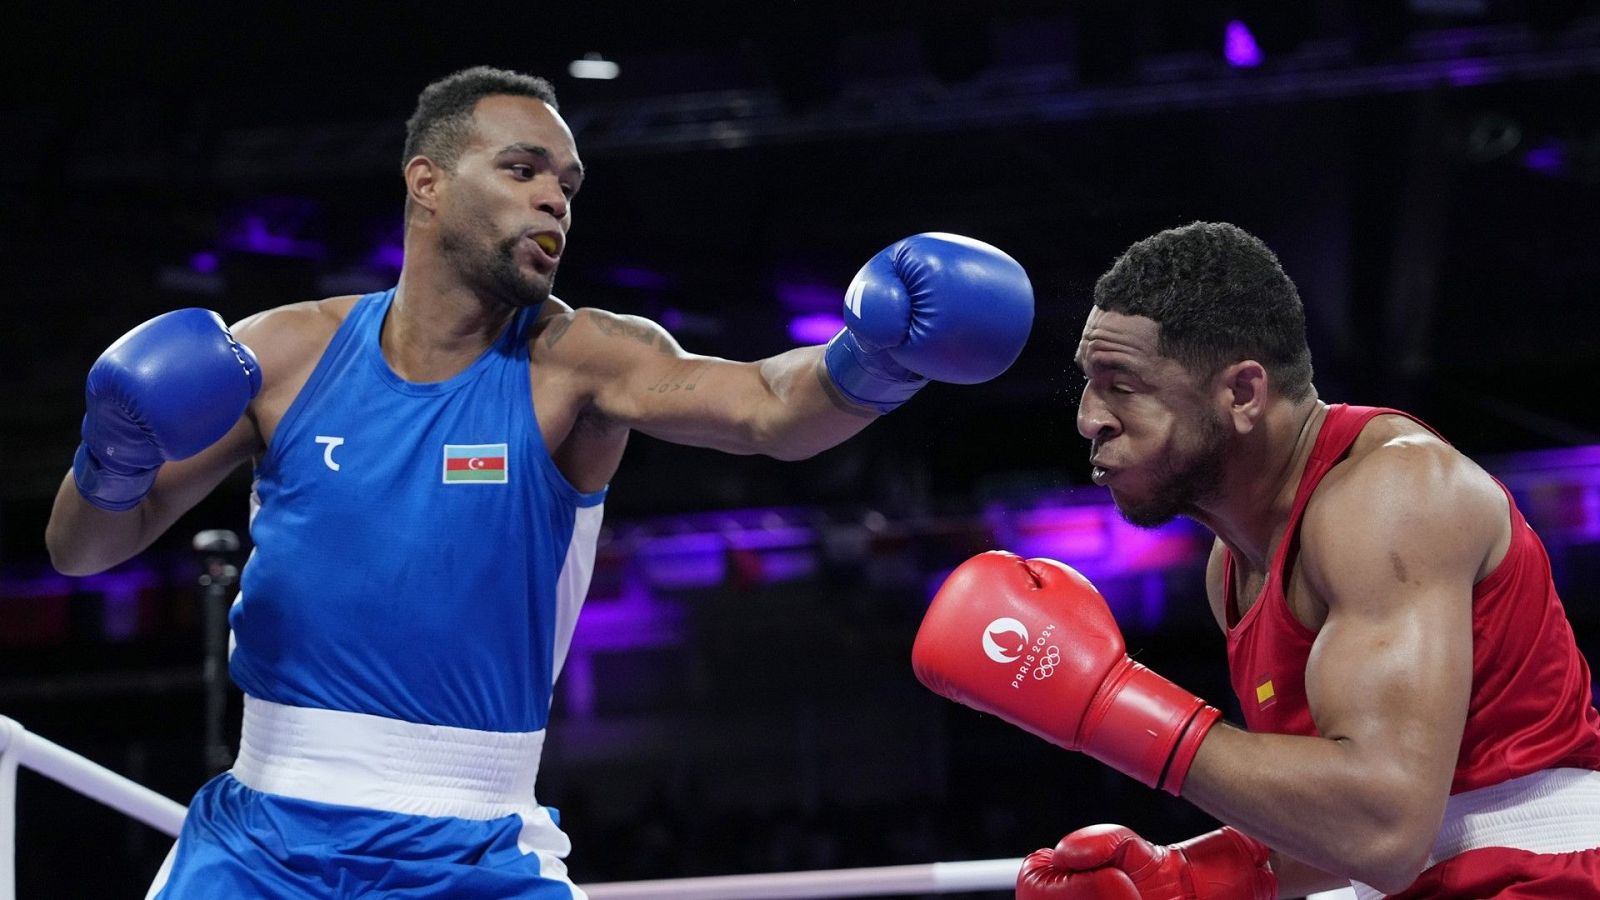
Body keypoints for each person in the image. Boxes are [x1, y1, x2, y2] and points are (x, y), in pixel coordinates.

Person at [43, 66, 1034, 899]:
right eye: (522, 170)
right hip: (257, 836)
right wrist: (113, 458)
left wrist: (875, 358)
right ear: (425, 182)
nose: (555, 198)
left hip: (471, 845)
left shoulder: (581, 361)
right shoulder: (286, 353)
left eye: (567, 180)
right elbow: (81, 549)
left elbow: (771, 408)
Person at [910, 221, 1600, 898]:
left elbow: (1387, 833)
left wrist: (1109, 705)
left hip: (1545, 873)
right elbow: (1347, 821)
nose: (1090, 417)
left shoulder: (1391, 496)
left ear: (1241, 393)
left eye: (1121, 384)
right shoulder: (1232, 569)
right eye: (1090, 383)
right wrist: (1183, 875)